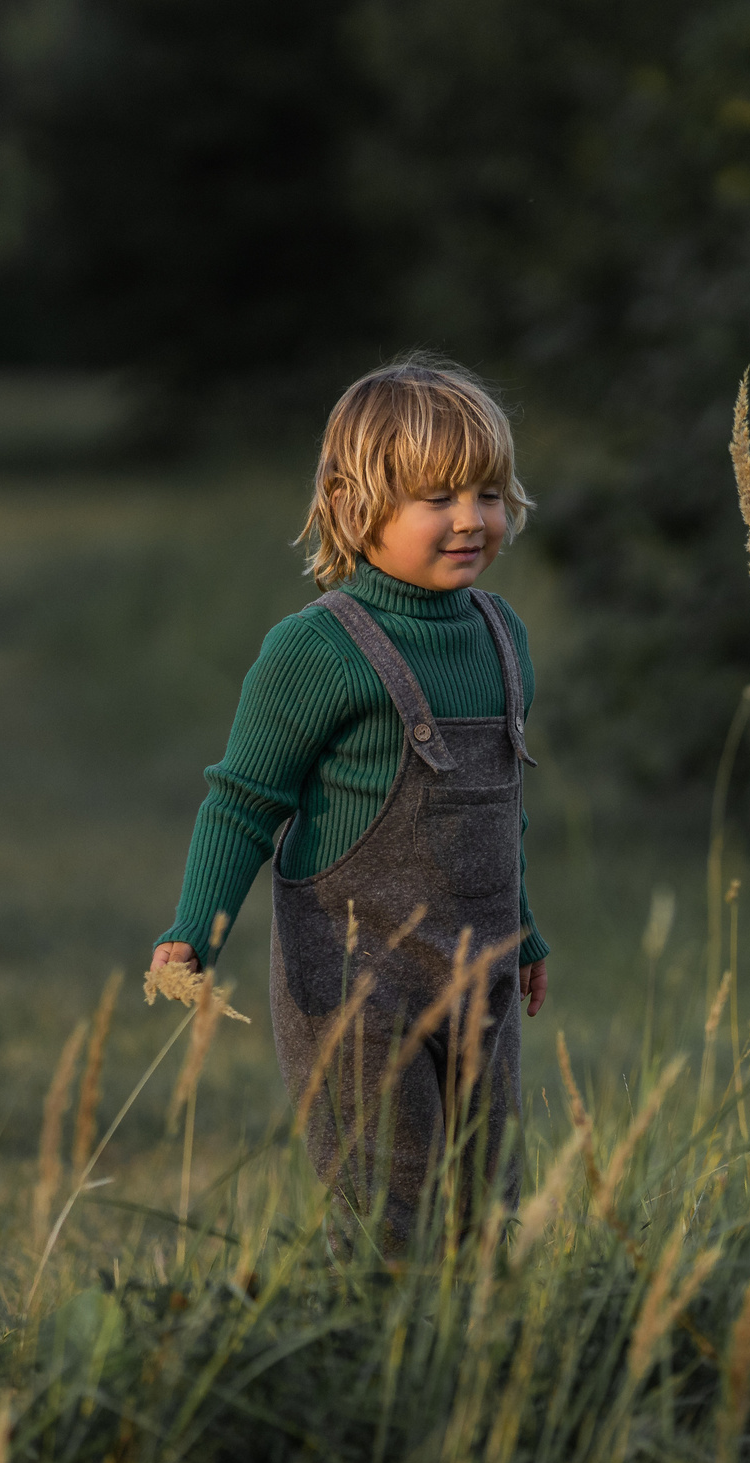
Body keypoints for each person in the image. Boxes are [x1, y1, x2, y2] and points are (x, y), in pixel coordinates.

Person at [151, 354, 549, 1251]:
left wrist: (524, 929)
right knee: (389, 1211)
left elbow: (500, 810)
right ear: (351, 503)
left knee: (490, 1205)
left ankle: (483, 1340)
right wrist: (195, 930)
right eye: (438, 497)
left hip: (481, 975)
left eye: (487, 493)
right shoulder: (316, 650)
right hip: (355, 987)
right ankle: (369, 1339)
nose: (470, 518)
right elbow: (242, 803)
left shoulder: (503, 637)